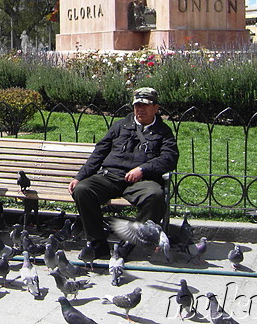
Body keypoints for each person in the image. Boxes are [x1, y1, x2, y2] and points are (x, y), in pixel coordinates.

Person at [69, 87, 178, 260]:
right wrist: (80, 176)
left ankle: (130, 243)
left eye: (145, 105)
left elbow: (169, 158)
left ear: (156, 108)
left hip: (141, 180)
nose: (140, 109)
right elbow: (100, 152)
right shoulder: (120, 125)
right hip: (110, 177)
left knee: (156, 195)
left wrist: (143, 169)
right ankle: (98, 243)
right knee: (82, 190)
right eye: (137, 105)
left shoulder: (163, 132)